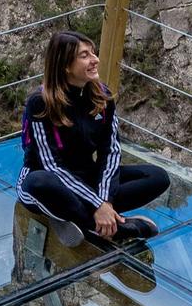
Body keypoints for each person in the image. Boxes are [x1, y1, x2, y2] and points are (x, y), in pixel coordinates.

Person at [17, 31, 169, 247]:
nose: (95, 60)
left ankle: (79, 219)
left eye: (93, 53)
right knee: (39, 182)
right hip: (51, 182)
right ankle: (112, 230)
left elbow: (111, 151)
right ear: (65, 65)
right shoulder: (40, 103)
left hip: (88, 178)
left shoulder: (102, 96)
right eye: (85, 55)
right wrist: (97, 204)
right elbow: (51, 166)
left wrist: (105, 199)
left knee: (157, 177)